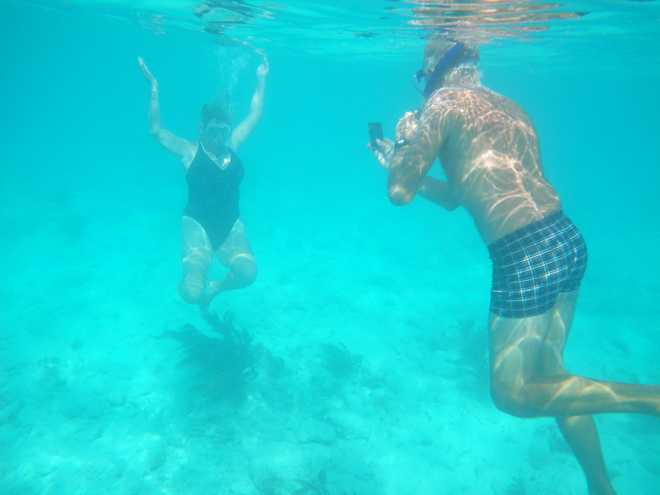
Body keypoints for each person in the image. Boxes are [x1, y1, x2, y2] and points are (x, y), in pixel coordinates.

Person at [369, 36, 659, 495]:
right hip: (565, 239)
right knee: (553, 377)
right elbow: (454, 196)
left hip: (524, 253)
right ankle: (602, 486)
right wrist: (404, 164)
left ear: (436, 69)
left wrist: (404, 143)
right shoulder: (506, 106)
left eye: (422, 76)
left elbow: (398, 193)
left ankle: (652, 400)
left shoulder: (442, 104)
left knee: (512, 394)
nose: (423, 86)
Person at [137, 54, 268, 310]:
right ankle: (198, 284)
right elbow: (156, 131)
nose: (219, 137)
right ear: (202, 129)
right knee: (191, 293)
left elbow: (255, 114)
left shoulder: (233, 145)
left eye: (224, 131)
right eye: (212, 131)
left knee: (248, 273)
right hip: (197, 224)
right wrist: (154, 87)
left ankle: (215, 289)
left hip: (230, 225)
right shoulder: (189, 151)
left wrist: (261, 78)